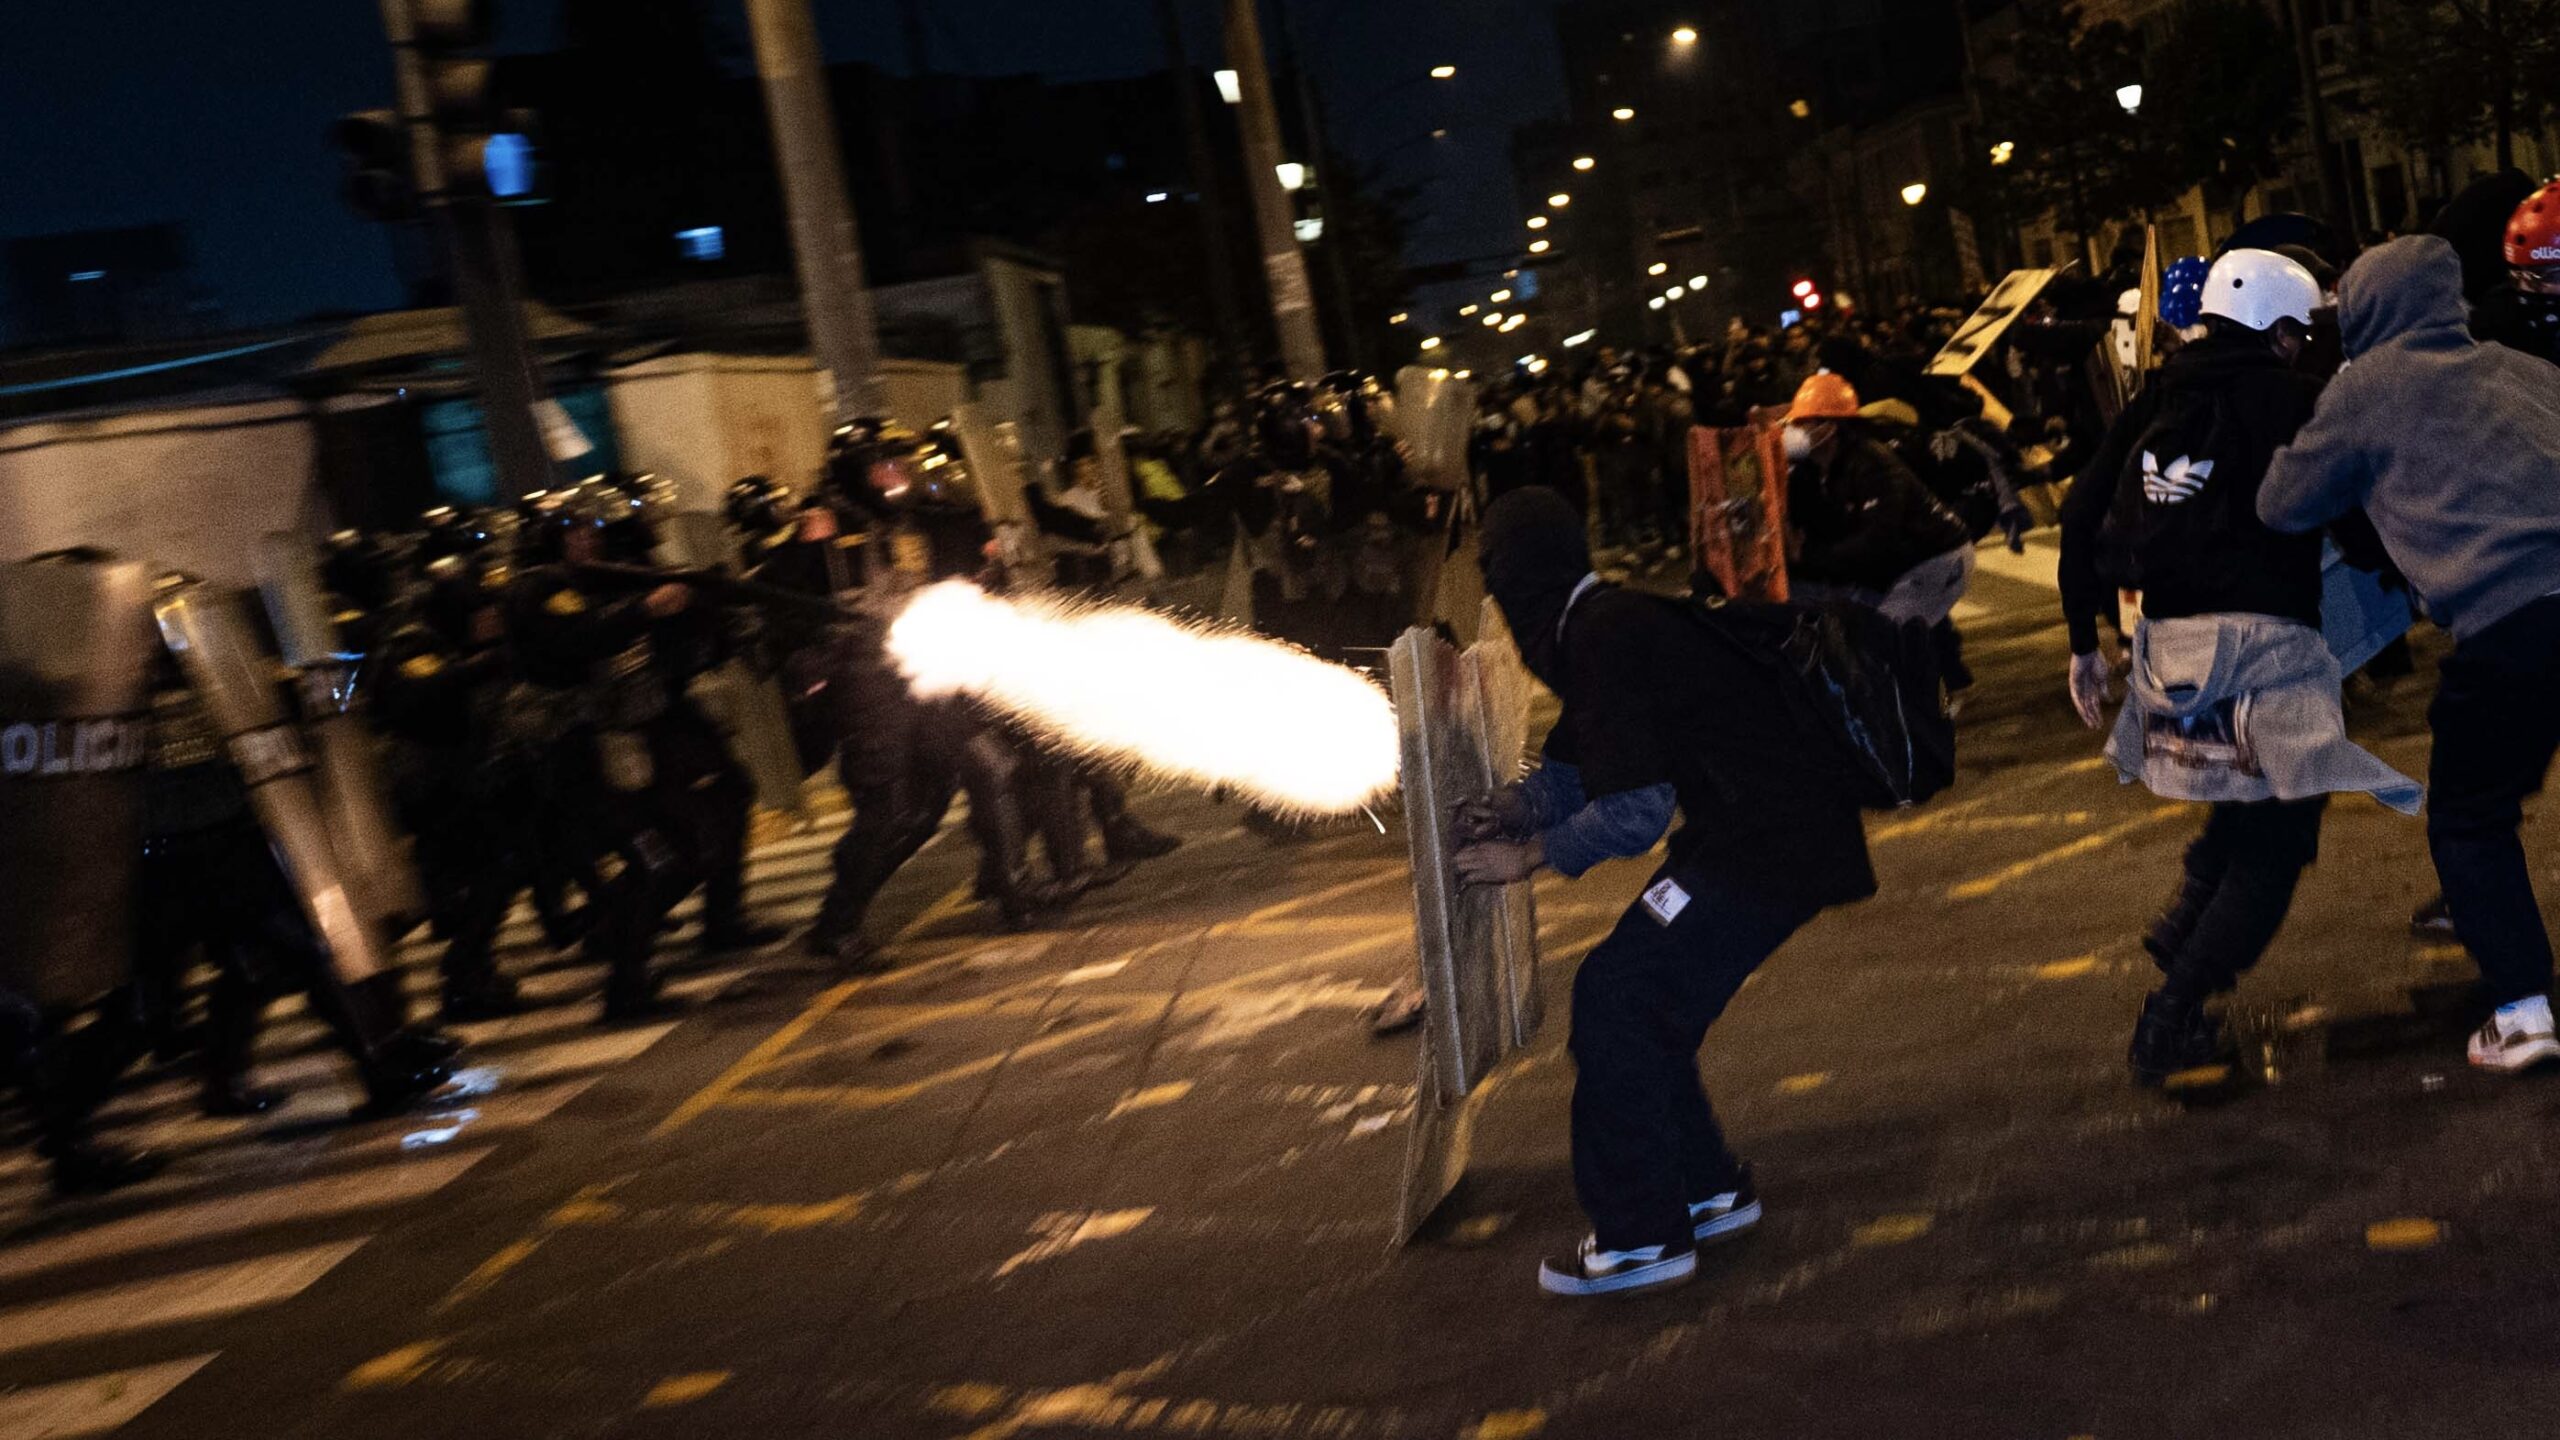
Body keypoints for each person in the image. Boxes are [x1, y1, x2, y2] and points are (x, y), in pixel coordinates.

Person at [1453, 487, 1877, 1298]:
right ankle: (1705, 1190)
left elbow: (1635, 811)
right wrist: (1514, 807)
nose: (1497, 597)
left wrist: (1529, 855)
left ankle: (1642, 1238)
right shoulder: (1601, 623)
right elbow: (1582, 767)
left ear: (1521, 575)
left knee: (1619, 998)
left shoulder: (1603, 636)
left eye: (1497, 575)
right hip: (1761, 838)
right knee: (1640, 1001)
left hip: (1770, 848)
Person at [2059, 248, 2423, 1084]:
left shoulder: (2160, 396)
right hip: (2265, 648)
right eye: (2297, 330)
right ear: (2276, 328)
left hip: (2171, 651)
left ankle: (2187, 922)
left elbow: (2081, 516)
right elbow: (2350, 509)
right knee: (2279, 839)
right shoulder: (2287, 401)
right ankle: (2174, 1012)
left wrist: (2082, 641)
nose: (2302, 344)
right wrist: (2411, 572)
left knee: (2247, 801)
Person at [2259, 234, 2560, 1073]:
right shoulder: (2524, 370)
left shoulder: (2368, 388)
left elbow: (2283, 502)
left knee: (2470, 816)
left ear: (2363, 307)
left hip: (2507, 620)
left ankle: (2523, 1011)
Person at [1780, 373, 1976, 631]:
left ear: (1830, 426)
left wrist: (1808, 556)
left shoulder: (1872, 464)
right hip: (1899, 565)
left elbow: (1876, 541)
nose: (1794, 431)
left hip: (1936, 562)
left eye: (1803, 423)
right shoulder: (1822, 468)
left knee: (1882, 637)